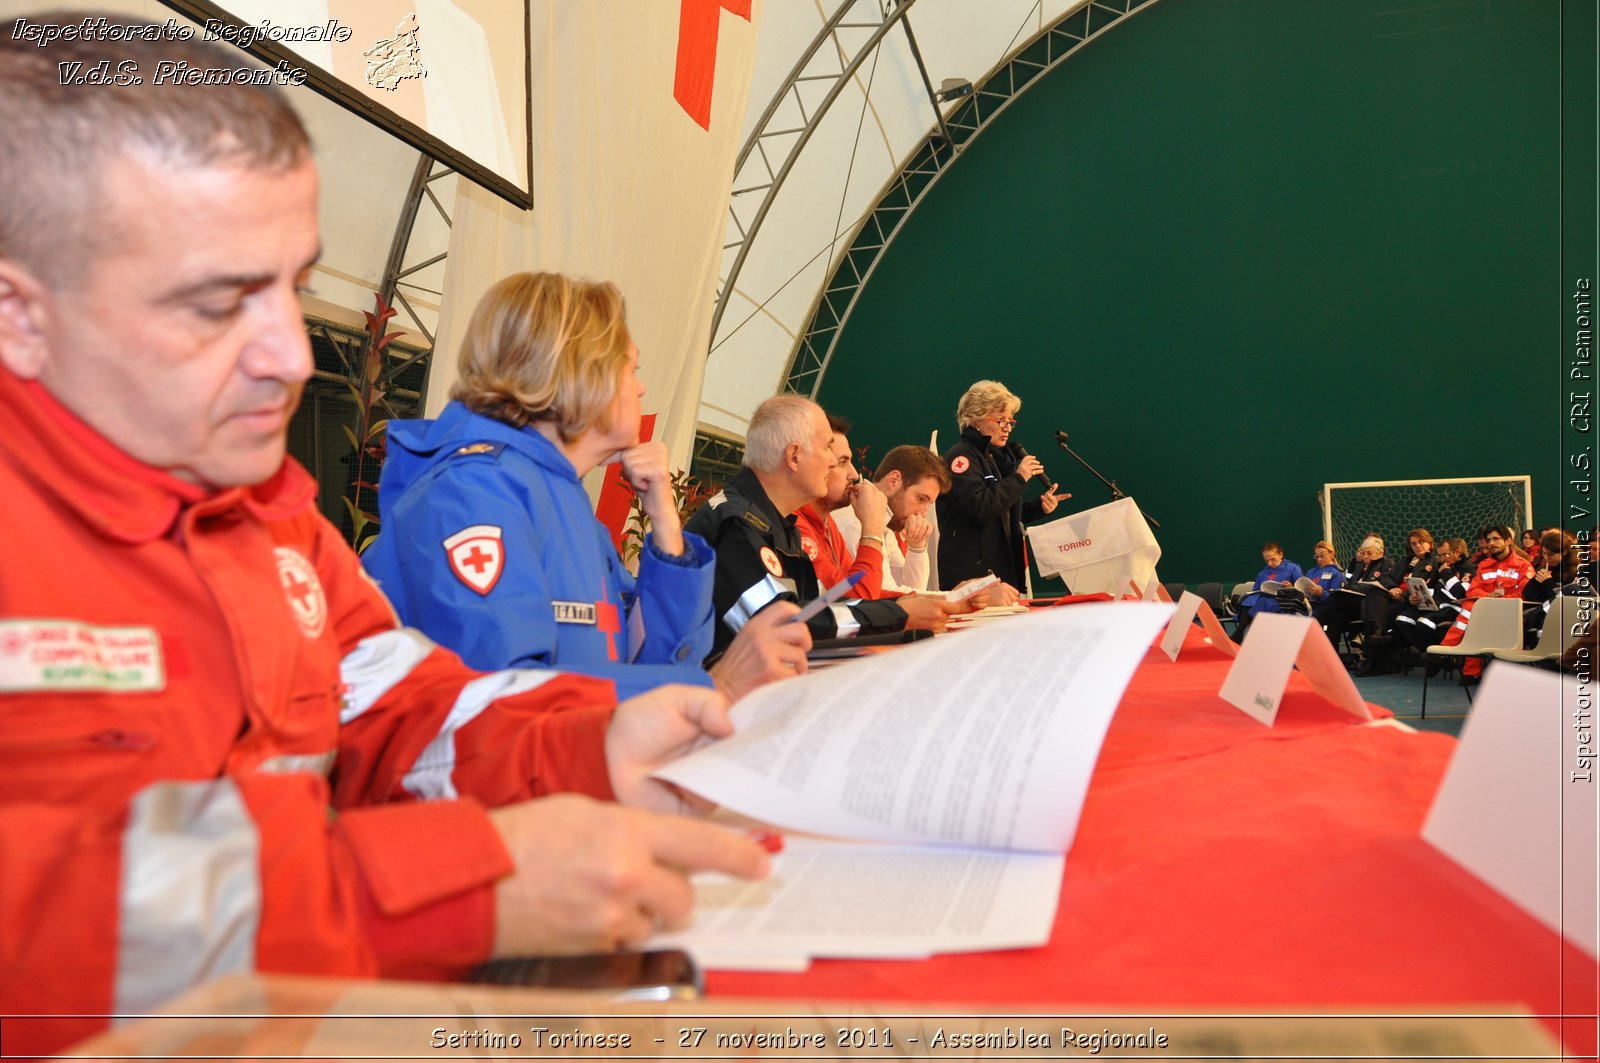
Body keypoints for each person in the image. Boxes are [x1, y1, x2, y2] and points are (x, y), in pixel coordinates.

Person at [0, 20, 767, 1056]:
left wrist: (581, 747)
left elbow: (411, 707)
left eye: (292, 282)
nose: (287, 354)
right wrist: (451, 889)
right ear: (19, 312)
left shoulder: (265, 509)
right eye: (218, 302)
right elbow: (41, 923)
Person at [361, 272, 808, 701]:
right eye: (631, 369)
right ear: (583, 374)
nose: (642, 386)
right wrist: (717, 689)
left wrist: (667, 526)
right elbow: (504, 705)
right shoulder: (472, 494)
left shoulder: (559, 498)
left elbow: (652, 659)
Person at [684, 396, 955, 658]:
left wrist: (904, 607)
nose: (834, 463)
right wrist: (899, 615)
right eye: (827, 449)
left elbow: (826, 603)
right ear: (794, 457)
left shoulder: (774, 520)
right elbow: (786, 623)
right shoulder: (737, 524)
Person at [936, 380, 1067, 593]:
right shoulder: (961, 458)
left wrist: (1038, 507)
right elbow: (979, 508)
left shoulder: (995, 459)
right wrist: (1019, 478)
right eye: (1000, 420)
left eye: (1010, 421)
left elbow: (1001, 514)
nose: (1007, 428)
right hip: (971, 576)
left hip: (999, 570)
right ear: (976, 419)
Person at [793, 414, 890, 597]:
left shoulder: (826, 521)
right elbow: (856, 599)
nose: (854, 474)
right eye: (842, 462)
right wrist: (872, 529)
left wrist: (933, 600)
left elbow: (864, 590)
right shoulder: (794, 525)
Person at [833, 445, 952, 594]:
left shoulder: (885, 522)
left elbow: (909, 587)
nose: (922, 513)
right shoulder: (856, 522)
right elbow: (883, 593)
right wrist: (952, 597)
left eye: (928, 504)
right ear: (894, 480)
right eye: (921, 499)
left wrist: (917, 546)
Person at [1437, 525, 1537, 677]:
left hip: (1510, 614)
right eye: (1489, 540)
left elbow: (1523, 595)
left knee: (1473, 609)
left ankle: (1449, 648)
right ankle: (1469, 670)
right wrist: (1487, 598)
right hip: (1484, 612)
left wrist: (1494, 602)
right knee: (1473, 609)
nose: (1491, 543)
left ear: (1508, 541)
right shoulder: (1484, 565)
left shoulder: (1523, 566)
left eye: (1496, 539)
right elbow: (1472, 591)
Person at [1314, 534, 1400, 657]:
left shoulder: (1385, 564)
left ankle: (1314, 624)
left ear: (1380, 553)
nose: (1365, 556)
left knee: (1336, 598)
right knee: (1336, 616)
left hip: (1370, 605)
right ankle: (1332, 657)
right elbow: (1350, 583)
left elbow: (1384, 583)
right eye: (1363, 552)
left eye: (1369, 553)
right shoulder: (1359, 565)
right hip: (1355, 604)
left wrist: (1351, 588)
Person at [1229, 543, 1304, 644]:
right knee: (1250, 600)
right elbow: (1256, 590)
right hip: (1265, 598)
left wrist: (1291, 586)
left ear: (1281, 554)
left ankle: (1239, 633)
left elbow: (1301, 587)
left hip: (1283, 600)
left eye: (1273, 559)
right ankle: (1244, 636)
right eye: (1266, 560)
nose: (1270, 563)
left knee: (1257, 603)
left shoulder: (1292, 568)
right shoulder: (1263, 572)